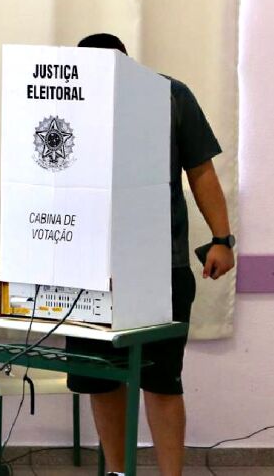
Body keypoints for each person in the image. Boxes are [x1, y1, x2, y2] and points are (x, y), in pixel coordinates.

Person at [65, 33, 236, 476]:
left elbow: (201, 172)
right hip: (87, 272)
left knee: (162, 381)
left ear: (127, 66)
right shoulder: (67, 100)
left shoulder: (170, 96)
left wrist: (222, 239)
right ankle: (120, 473)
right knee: (101, 380)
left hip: (162, 267)